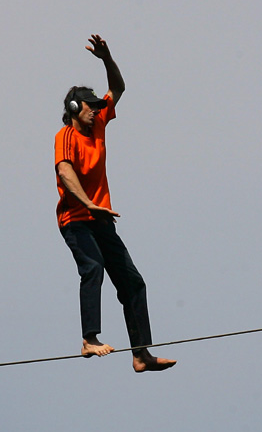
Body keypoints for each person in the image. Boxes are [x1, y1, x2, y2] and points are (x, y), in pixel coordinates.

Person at [54, 34, 176, 373]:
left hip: (101, 219)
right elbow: (65, 172)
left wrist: (107, 60)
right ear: (77, 110)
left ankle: (141, 354)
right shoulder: (66, 136)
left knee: (133, 282)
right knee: (92, 268)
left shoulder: (100, 123)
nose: (98, 110)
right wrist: (89, 205)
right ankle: (88, 339)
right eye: (91, 107)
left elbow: (118, 89)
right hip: (76, 219)